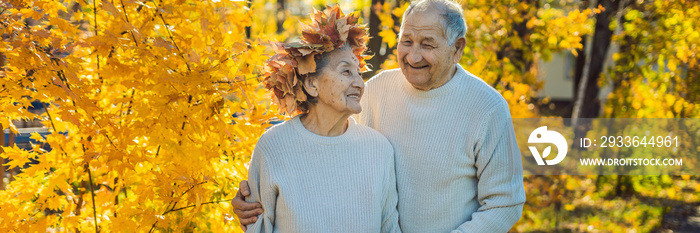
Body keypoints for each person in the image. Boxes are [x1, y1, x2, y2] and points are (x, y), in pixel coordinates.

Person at [234, 0, 526, 232]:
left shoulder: (487, 108)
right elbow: (329, 153)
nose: (412, 56)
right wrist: (256, 200)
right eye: (406, 41)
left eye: (427, 44)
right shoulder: (375, 90)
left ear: (457, 48)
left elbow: (505, 204)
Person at [242, 5, 401, 233]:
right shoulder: (273, 147)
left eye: (359, 73)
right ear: (311, 84)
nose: (358, 82)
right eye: (346, 71)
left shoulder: (379, 149)